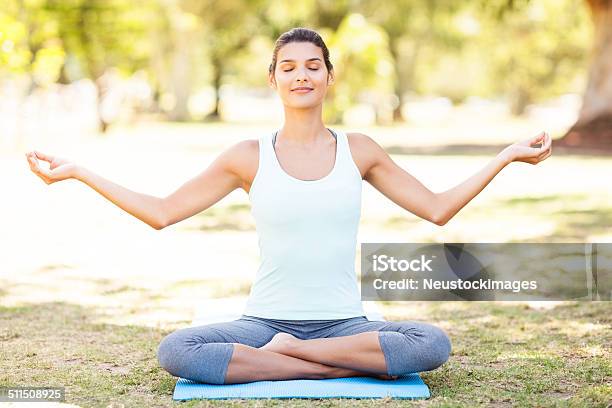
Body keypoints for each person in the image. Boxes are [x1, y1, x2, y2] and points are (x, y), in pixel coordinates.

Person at [25, 27, 552, 385]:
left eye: (313, 66)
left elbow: (437, 209)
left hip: (345, 323)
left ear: (329, 76)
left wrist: (504, 157)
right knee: (177, 351)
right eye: (289, 67)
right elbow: (162, 211)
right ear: (273, 78)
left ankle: (287, 361)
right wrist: (80, 172)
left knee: (430, 343)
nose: (302, 75)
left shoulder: (360, 150)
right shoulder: (247, 157)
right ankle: (334, 370)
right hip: (263, 322)